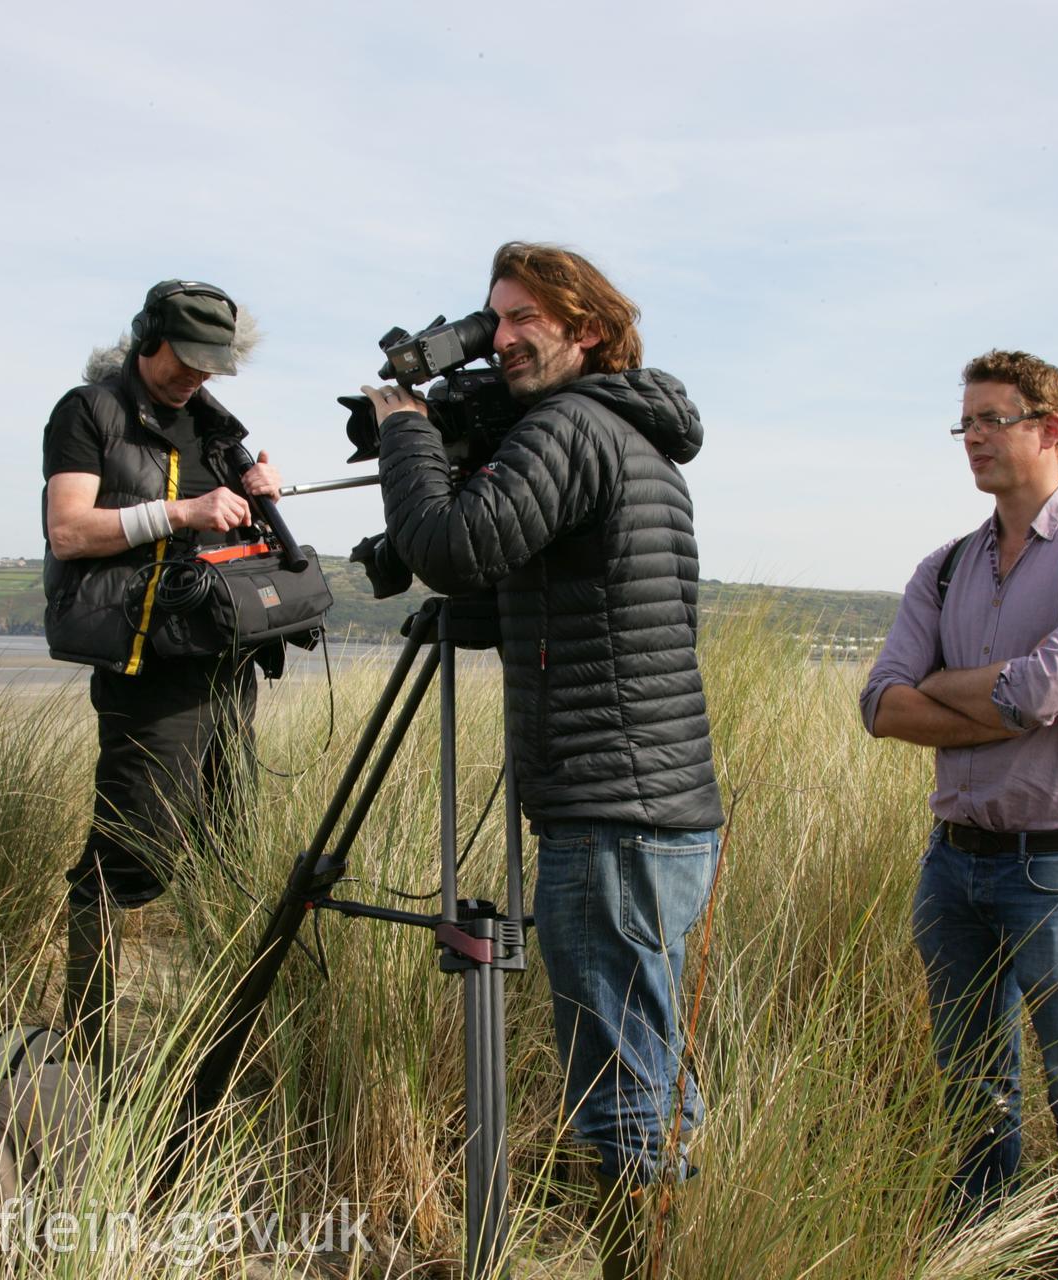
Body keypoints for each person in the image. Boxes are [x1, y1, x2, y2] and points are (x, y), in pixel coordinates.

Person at [361, 242, 724, 1279]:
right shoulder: (629, 433)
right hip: (647, 808)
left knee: (621, 1085)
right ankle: (668, 1247)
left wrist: (405, 431)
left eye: (526, 318)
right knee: (647, 1062)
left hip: (611, 812)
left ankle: (637, 1262)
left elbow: (451, 545)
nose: (506, 336)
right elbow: (518, 592)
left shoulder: (570, 425)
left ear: (590, 332)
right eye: (494, 319)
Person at [861, 350, 1058, 1277]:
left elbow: (1049, 687)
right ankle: (986, 1259)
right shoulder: (945, 567)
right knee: (972, 1093)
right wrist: (996, 700)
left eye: (993, 419)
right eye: (966, 424)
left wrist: (949, 696)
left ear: (1050, 427)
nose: (975, 439)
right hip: (952, 863)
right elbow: (880, 704)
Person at [40, 279, 282, 1064]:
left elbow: (235, 535)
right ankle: (88, 1040)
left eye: (213, 366)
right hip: (145, 665)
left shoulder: (216, 425)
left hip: (222, 661)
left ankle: (209, 1036)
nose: (196, 378)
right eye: (186, 360)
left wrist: (258, 500)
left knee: (226, 843)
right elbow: (70, 532)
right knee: (132, 850)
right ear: (149, 336)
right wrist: (184, 512)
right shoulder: (89, 412)